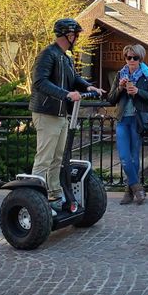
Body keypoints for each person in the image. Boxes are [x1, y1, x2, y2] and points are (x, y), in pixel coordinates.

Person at [30, 18, 104, 210]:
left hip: (61, 113)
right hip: (47, 112)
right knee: (44, 158)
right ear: (68, 35)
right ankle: (34, 199)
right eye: (76, 35)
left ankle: (54, 194)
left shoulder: (65, 56)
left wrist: (88, 86)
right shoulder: (48, 54)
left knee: (58, 157)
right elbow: (40, 82)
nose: (77, 38)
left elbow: (73, 77)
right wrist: (66, 94)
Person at [105, 43, 148, 205]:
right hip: (123, 119)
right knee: (124, 157)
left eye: (135, 57)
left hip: (137, 120)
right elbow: (110, 99)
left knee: (134, 157)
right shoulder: (120, 74)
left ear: (140, 58)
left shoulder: (147, 74)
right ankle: (137, 187)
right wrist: (121, 88)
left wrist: (138, 92)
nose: (131, 60)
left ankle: (129, 192)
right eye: (128, 57)